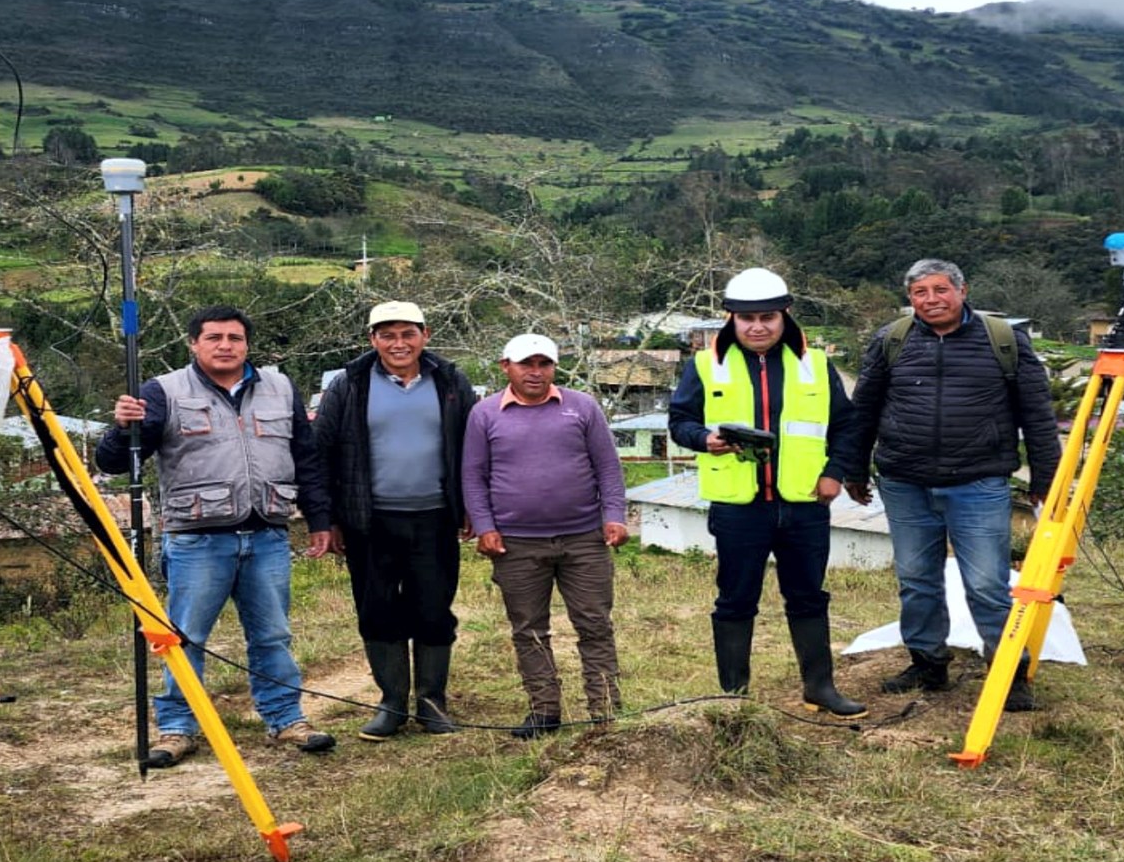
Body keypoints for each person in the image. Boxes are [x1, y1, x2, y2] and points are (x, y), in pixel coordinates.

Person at [96, 305, 337, 762]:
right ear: (194, 344)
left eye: (234, 338)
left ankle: (287, 719)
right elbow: (112, 462)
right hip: (196, 540)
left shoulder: (280, 387)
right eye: (214, 338)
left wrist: (320, 520)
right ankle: (176, 728)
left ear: (247, 344)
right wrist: (121, 427)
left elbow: (305, 458)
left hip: (267, 535)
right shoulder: (163, 391)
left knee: (272, 636)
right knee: (185, 638)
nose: (225, 345)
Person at [845, 259, 1061, 711]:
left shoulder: (1003, 340)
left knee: (987, 584)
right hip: (904, 482)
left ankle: (1008, 673)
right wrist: (853, 468)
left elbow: (1037, 415)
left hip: (978, 482)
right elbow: (863, 410)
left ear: (962, 290)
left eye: (940, 290)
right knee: (916, 579)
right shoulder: (892, 340)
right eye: (920, 292)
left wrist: (1047, 475)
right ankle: (927, 663)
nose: (931, 300)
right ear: (910, 299)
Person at [668, 268, 865, 719]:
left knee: (809, 596)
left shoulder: (814, 363)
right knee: (736, 599)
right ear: (730, 319)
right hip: (740, 507)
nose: (758, 326)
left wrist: (835, 473)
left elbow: (847, 426)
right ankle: (733, 696)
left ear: (785, 315)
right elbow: (679, 423)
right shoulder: (705, 364)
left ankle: (820, 687)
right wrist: (705, 439)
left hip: (803, 504)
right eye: (747, 318)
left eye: (768, 317)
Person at [313, 301, 478, 741]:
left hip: (435, 517)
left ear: (426, 334)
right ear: (372, 340)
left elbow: (474, 447)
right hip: (370, 520)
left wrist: (472, 507)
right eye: (387, 335)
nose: (398, 343)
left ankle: (431, 701)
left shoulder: (450, 380)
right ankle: (391, 702)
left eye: (408, 333)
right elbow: (321, 451)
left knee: (433, 608)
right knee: (378, 608)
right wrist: (327, 518)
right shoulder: (348, 384)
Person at [461, 333, 629, 739]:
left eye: (544, 364)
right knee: (529, 629)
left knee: (594, 625)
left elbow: (607, 467)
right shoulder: (484, 414)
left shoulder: (582, 407)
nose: (535, 372)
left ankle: (605, 711)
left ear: (554, 367)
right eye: (526, 364)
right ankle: (544, 710)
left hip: (583, 538)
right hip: (516, 543)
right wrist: (485, 527)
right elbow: (473, 475)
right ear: (506, 367)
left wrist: (615, 516)